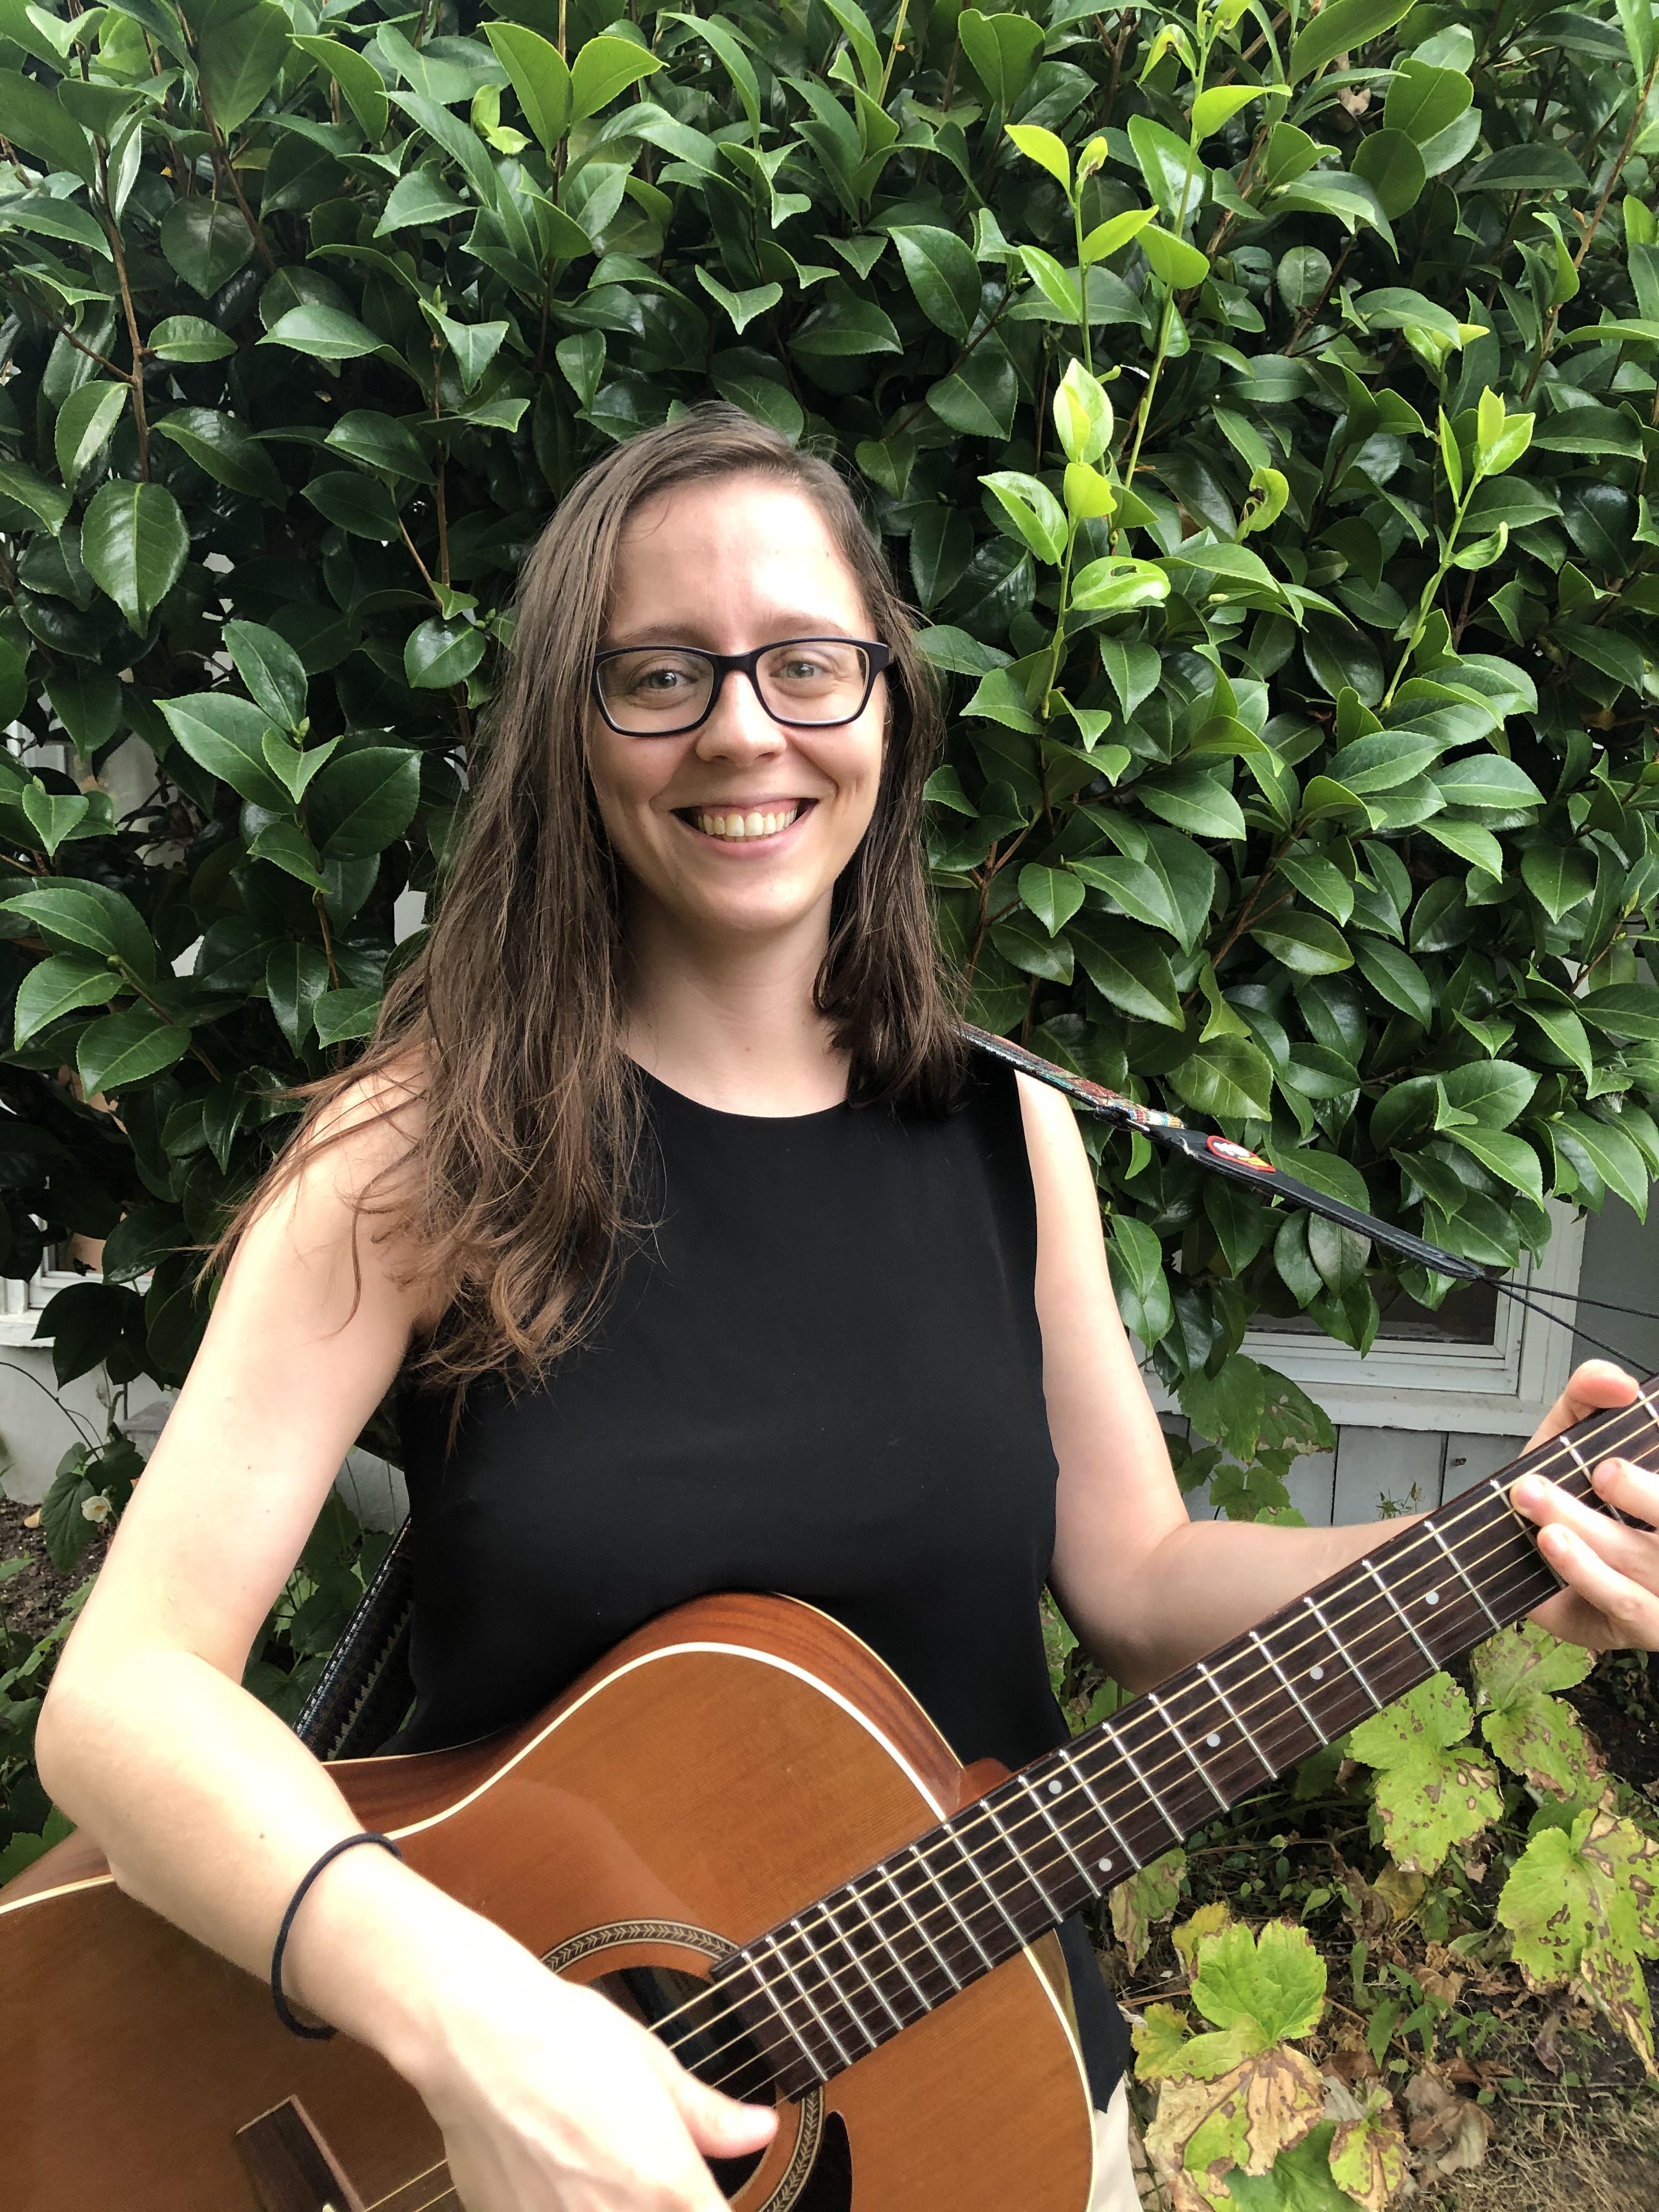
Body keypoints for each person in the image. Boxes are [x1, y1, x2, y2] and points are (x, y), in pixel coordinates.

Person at [34, 406, 1659, 2212]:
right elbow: (118, 1698)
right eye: (662, 673)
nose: (744, 729)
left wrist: (1502, 1544)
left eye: (807, 665)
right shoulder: (426, 1155)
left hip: (997, 2119)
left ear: (887, 698)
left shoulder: (1004, 1134)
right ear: (575, 730)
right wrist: (471, 2022)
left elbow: (1138, 1583)